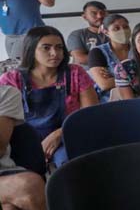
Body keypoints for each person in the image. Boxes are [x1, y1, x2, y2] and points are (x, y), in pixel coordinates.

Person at [0, 27, 98, 167]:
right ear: (31, 49)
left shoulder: (75, 73)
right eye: (46, 48)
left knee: (69, 164)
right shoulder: (12, 79)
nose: (54, 53)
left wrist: (59, 134)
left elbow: (90, 114)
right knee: (26, 173)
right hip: (23, 140)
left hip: (68, 134)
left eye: (59, 47)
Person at [87, 14, 132, 103]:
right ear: (106, 32)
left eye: (125, 27)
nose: (122, 31)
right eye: (116, 28)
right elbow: (104, 84)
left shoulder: (138, 49)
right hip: (109, 102)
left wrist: (116, 78)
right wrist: (138, 77)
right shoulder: (97, 52)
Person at [66, 0, 108, 66]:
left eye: (102, 13)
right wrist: (112, 58)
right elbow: (80, 59)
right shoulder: (77, 34)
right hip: (86, 74)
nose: (99, 16)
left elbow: (125, 54)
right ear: (85, 17)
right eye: (94, 13)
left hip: (114, 73)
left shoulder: (114, 33)